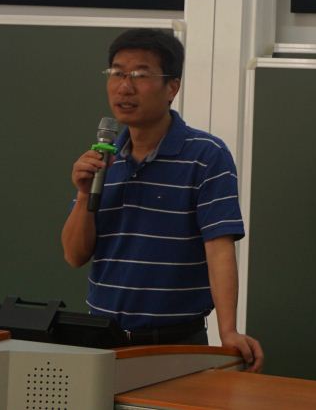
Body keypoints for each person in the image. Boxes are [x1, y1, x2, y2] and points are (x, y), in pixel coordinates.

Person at [61, 28, 263, 371]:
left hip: (175, 343)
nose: (125, 87)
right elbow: (74, 255)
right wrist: (83, 195)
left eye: (140, 75)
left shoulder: (206, 156)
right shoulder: (103, 158)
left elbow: (219, 248)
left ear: (172, 87)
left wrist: (228, 331)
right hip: (101, 341)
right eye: (117, 73)